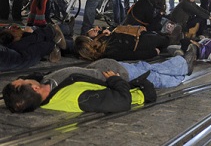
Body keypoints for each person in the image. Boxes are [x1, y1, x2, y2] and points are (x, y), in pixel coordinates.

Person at [2, 55, 197, 113]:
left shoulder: (43, 88)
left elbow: (32, 81)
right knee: (149, 70)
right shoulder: (76, 99)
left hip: (108, 67)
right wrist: (116, 80)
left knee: (152, 73)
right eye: (25, 81)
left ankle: (179, 75)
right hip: (118, 75)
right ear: (34, 88)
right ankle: (183, 64)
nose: (27, 78)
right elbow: (121, 102)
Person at [74, 26, 169, 61]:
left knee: (160, 34)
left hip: (138, 36)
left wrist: (103, 31)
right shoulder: (108, 52)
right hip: (140, 42)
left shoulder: (101, 42)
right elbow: (131, 55)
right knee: (165, 40)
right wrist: (152, 53)